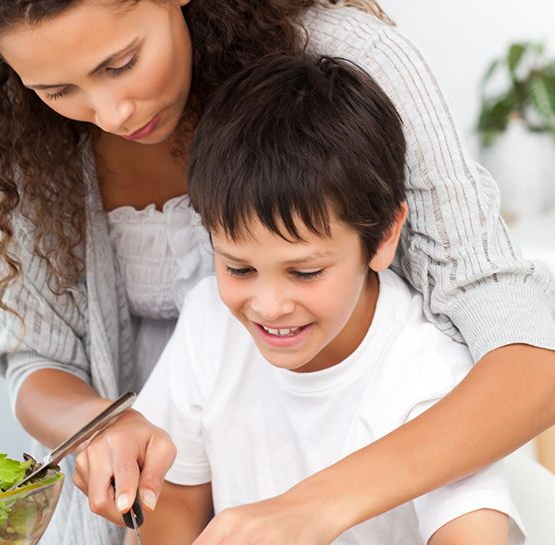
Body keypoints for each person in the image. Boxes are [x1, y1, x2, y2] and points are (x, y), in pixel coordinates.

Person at [0, 1, 555, 544]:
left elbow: (526, 348)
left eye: (120, 63)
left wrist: (312, 507)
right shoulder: (10, 113)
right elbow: (37, 361)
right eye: (56, 90)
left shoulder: (352, 64)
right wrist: (102, 426)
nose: (109, 113)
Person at [129, 52, 525, 545]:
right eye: (239, 268)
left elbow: (474, 532)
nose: (269, 304)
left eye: (306, 272)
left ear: (383, 238)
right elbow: (172, 504)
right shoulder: (210, 319)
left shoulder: (426, 370)